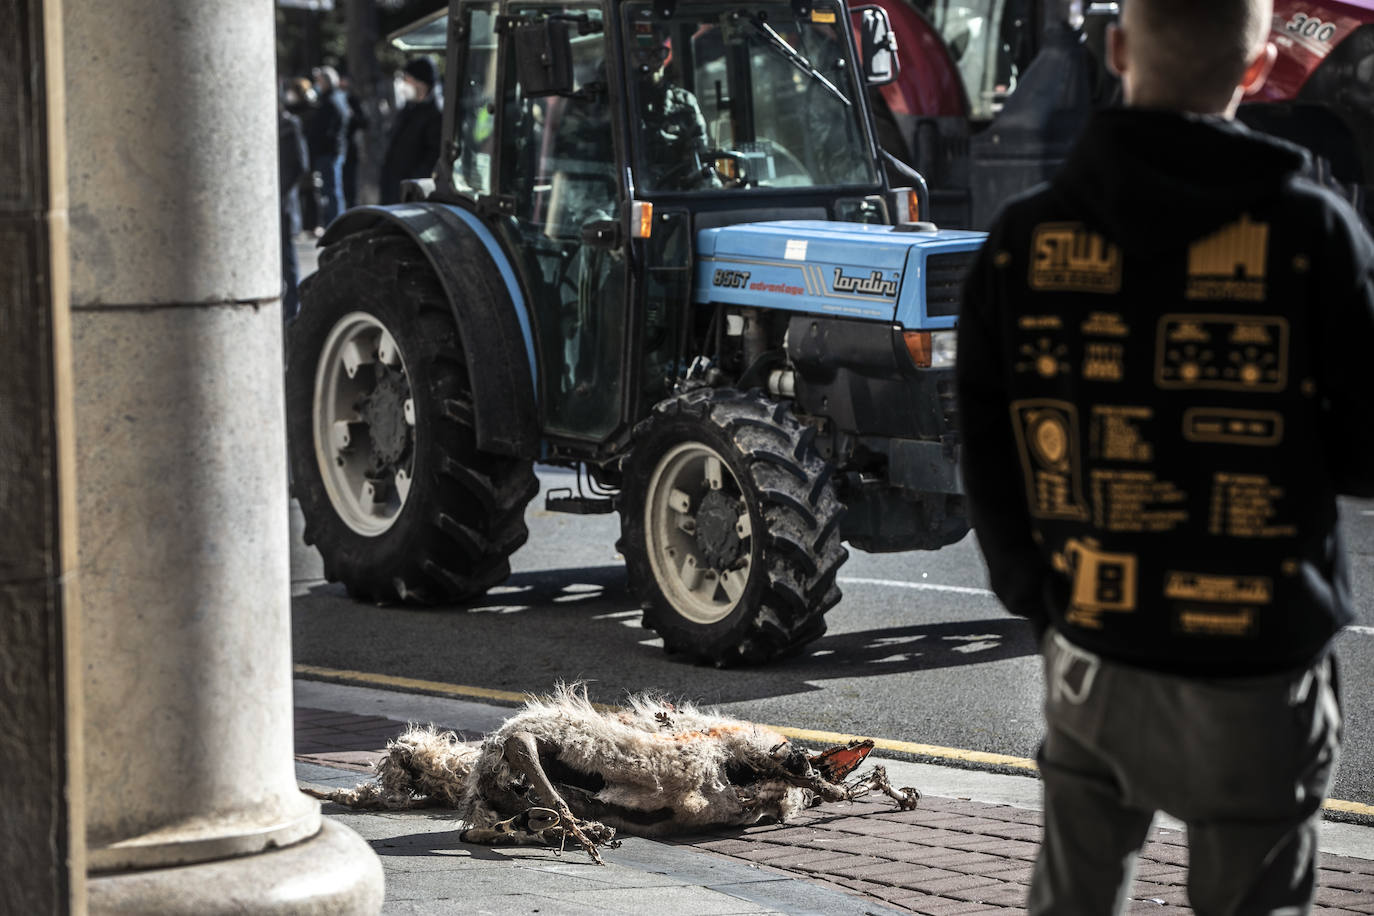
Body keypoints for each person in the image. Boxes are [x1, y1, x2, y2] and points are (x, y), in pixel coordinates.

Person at [955, 0, 1374, 912]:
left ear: (1116, 49)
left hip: (1095, 654)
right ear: (1261, 67)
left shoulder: (1022, 244)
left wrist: (1039, 596)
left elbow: (988, 450)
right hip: (1260, 669)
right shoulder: (1317, 236)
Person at [380, 56, 443, 204]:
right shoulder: (408, 109)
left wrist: (412, 188)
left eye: (407, 79)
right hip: (393, 188)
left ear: (421, 83)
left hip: (410, 195)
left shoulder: (436, 115)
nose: (403, 85)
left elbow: (432, 157)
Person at [306, 65, 352, 227]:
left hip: (329, 152)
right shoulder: (334, 99)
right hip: (331, 151)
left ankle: (335, 223)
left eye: (319, 81)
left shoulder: (332, 101)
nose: (317, 84)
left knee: (332, 191)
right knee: (331, 190)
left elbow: (327, 130)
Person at [278, 97, 310, 322]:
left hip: (283, 202)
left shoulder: (290, 125)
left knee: (288, 259)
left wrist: (279, 191)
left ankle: (292, 310)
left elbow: (300, 164)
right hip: (275, 201)